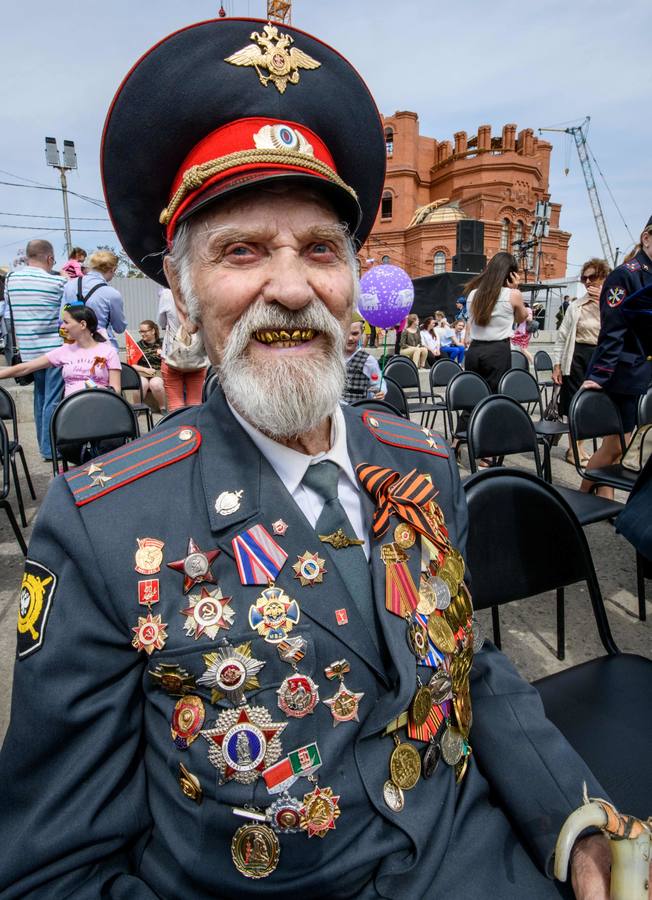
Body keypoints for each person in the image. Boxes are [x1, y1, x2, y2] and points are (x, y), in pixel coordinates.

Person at [0, 17, 611, 900]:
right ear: (181, 287)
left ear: (353, 281)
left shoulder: (423, 465)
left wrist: (575, 824)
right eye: (241, 251)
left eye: (320, 250)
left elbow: (467, 667)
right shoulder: (103, 528)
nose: (290, 286)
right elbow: (52, 872)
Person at [581, 218, 652, 496]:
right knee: (616, 446)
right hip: (624, 375)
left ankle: (604, 496)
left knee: (621, 446)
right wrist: (599, 375)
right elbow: (613, 329)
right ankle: (580, 500)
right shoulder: (626, 275)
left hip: (643, 374)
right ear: (646, 238)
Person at [0, 305, 122, 464]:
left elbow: (116, 389)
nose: (62, 326)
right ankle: (91, 467)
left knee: (111, 445)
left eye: (66, 322)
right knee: (66, 448)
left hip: (101, 410)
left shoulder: (108, 352)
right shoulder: (64, 351)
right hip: (72, 413)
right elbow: (26, 367)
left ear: (82, 325)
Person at [3, 239, 65, 460]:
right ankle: (50, 449)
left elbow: (9, 316)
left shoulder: (11, 279)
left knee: (40, 398)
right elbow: (64, 318)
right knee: (53, 399)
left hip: (28, 352)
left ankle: (43, 446)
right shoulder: (58, 283)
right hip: (54, 351)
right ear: (49, 258)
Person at [551, 259, 610, 465]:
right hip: (576, 355)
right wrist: (557, 365)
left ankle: (583, 448)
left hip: (601, 355)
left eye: (592, 277)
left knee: (593, 404)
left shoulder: (612, 302)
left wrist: (605, 301)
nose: (588, 282)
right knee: (575, 403)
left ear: (603, 277)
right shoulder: (576, 305)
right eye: (584, 278)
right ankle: (574, 449)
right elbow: (562, 335)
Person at [464, 252, 527, 392]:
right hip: (497, 351)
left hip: (474, 350)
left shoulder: (473, 293)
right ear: (511, 274)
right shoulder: (513, 295)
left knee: (473, 396)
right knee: (494, 397)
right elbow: (521, 318)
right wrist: (515, 289)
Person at [61, 249, 126, 350]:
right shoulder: (112, 294)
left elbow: (61, 320)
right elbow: (119, 328)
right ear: (113, 269)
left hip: (74, 348)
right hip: (102, 349)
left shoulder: (69, 286)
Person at [157, 286, 208, 410]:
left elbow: (162, 323)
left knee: (175, 406)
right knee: (195, 404)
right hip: (197, 356)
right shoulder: (202, 289)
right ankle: (194, 429)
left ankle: (179, 429)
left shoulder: (167, 294)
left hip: (172, 355)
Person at [342, 319, 386, 403]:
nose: (350, 338)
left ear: (361, 333)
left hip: (355, 410)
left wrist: (380, 391)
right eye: (345, 333)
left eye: (355, 334)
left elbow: (377, 383)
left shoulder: (368, 361)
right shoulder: (330, 357)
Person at [133, 319, 166, 411]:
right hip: (143, 372)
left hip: (158, 372)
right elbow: (132, 364)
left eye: (145, 331)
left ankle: (162, 408)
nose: (142, 334)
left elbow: (172, 358)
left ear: (153, 331)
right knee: (141, 384)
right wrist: (145, 370)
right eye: (141, 331)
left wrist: (163, 354)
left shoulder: (163, 343)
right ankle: (137, 409)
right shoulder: (138, 345)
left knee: (155, 384)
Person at [511, 302, 535, 366]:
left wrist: (521, 316)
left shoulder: (527, 309)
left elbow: (530, 319)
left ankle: (532, 362)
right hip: (521, 332)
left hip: (524, 333)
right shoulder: (523, 310)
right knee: (523, 349)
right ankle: (529, 361)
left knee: (523, 349)